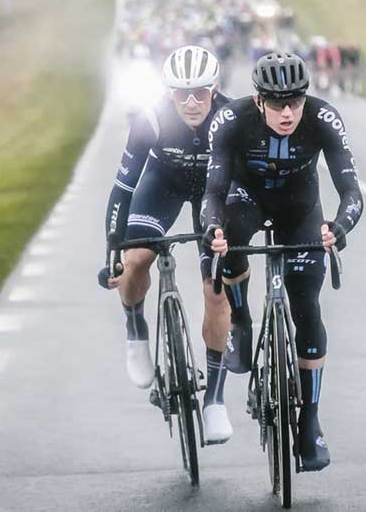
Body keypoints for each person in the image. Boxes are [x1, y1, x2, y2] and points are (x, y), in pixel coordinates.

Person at [202, 52, 364, 472]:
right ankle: (241, 317)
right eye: (277, 104)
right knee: (231, 237)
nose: (289, 112)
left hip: (299, 207)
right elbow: (214, 191)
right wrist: (213, 228)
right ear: (259, 102)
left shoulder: (324, 118)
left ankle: (309, 420)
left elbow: (351, 191)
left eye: (296, 101)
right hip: (246, 199)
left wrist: (339, 227)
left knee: (307, 306)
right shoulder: (232, 120)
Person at [99, 45, 236, 445]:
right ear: (168, 93)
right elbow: (122, 190)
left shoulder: (230, 119)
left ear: (216, 88)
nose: (191, 103)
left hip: (213, 193)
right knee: (137, 257)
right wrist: (112, 252)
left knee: (216, 290)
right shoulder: (151, 121)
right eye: (181, 93)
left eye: (200, 92)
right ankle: (135, 325)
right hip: (163, 186)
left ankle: (214, 400)